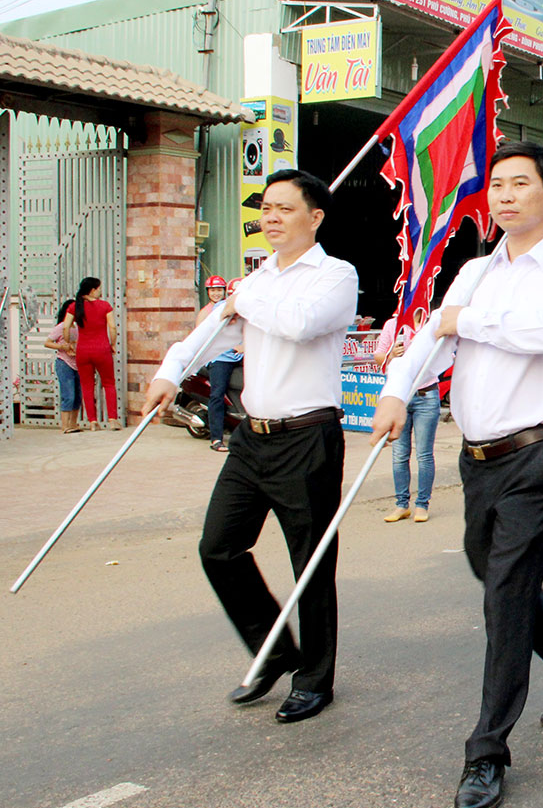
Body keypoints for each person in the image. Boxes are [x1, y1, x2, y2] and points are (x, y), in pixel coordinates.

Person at [371, 141, 543, 808]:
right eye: (496, 185)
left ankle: (486, 752)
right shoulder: (472, 271)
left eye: (519, 184)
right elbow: (432, 341)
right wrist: (395, 389)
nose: (503, 196)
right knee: (495, 573)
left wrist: (463, 321)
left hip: (535, 456)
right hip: (476, 460)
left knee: (503, 599)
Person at [143, 169, 358, 725]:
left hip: (307, 437)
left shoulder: (334, 276)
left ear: (315, 217)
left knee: (310, 564)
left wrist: (244, 300)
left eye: (285, 209)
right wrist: (170, 372)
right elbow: (209, 335)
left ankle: (315, 679)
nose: (271, 218)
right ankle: (275, 649)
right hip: (251, 439)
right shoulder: (256, 281)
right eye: (266, 208)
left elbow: (301, 324)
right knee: (218, 547)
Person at [376, 307, 438, 523]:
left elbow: (446, 355)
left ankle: (422, 504)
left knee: (424, 454)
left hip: (426, 394)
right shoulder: (392, 325)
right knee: (400, 454)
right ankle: (401, 504)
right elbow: (379, 356)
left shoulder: (431, 325)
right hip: (400, 398)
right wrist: (392, 354)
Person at [63, 277, 120, 430]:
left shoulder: (74, 307)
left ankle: (93, 422)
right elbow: (113, 328)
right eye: (99, 289)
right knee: (109, 384)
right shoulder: (105, 306)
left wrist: (68, 344)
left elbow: (66, 327)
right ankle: (113, 419)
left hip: (83, 350)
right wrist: (112, 343)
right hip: (102, 349)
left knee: (87, 386)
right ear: (93, 290)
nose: (101, 291)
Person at [197, 276, 244, 452]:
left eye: (220, 290)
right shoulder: (212, 311)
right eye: (213, 290)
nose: (217, 293)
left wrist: (245, 346)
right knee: (217, 394)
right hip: (220, 358)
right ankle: (216, 438)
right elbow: (202, 337)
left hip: (239, 357)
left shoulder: (241, 309)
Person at [43, 300, 81, 434]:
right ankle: (65, 425)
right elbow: (47, 343)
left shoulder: (77, 327)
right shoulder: (61, 327)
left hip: (78, 363)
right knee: (68, 394)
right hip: (64, 362)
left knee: (78, 395)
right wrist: (61, 346)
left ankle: (73, 424)